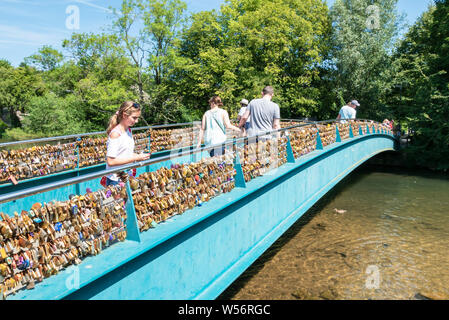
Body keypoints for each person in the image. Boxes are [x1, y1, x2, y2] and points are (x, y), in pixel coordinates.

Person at [105, 101, 150, 186]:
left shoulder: (128, 130)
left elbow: (124, 153)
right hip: (116, 179)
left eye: (137, 118)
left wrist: (138, 156)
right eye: (134, 118)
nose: (136, 121)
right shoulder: (115, 134)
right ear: (125, 115)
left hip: (126, 174)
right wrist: (135, 158)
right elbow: (110, 161)